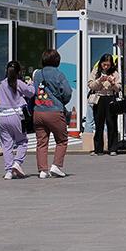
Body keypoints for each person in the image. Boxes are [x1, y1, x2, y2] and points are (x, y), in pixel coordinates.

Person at [32, 49, 73, 178]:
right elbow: (67, 92)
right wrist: (62, 102)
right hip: (54, 111)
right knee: (62, 140)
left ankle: (43, 170)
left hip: (38, 111)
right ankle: (56, 165)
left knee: (41, 142)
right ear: (57, 61)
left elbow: (33, 90)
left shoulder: (38, 74)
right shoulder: (59, 75)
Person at [0, 60, 34, 179]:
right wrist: (30, 84)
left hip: (2, 117)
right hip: (16, 116)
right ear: (18, 72)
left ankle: (8, 171)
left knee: (6, 144)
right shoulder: (19, 83)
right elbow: (31, 93)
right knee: (22, 141)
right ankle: (17, 163)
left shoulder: (0, 84)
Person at [88, 54, 122, 154]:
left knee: (112, 123)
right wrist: (99, 80)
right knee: (99, 124)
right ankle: (98, 149)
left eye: (108, 65)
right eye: (104, 64)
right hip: (98, 98)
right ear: (101, 63)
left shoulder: (115, 73)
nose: (106, 67)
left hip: (110, 97)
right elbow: (91, 85)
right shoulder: (96, 71)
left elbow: (118, 88)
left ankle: (113, 148)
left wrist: (112, 83)